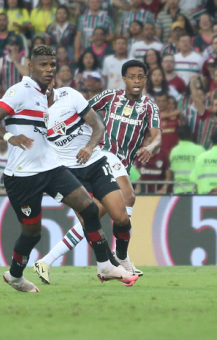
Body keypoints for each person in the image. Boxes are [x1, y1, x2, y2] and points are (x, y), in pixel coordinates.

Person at [0, 44, 137, 293]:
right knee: (31, 234)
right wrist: (11, 138)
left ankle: (105, 265)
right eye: (43, 64)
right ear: (30, 66)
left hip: (51, 168)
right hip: (22, 176)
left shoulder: (47, 95)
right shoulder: (20, 91)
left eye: (52, 65)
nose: (49, 69)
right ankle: (15, 276)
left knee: (89, 208)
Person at [40, 59, 161, 277]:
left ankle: (48, 260)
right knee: (129, 196)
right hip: (103, 155)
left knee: (93, 216)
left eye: (140, 76)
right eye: (131, 76)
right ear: (124, 79)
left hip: (122, 164)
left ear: (145, 79)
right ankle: (121, 257)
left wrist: (150, 146)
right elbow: (82, 112)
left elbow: (156, 135)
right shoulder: (110, 96)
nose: (136, 80)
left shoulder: (149, 107)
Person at [32, 79, 136, 284]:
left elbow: (98, 125)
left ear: (53, 82)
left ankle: (120, 258)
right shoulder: (35, 115)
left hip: (96, 162)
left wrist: (89, 147)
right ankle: (108, 266)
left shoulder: (70, 95)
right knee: (90, 220)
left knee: (121, 216)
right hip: (69, 174)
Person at [168, 124, 205, 193]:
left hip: (178, 190)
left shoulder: (174, 151)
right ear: (191, 134)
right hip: (195, 190)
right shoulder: (200, 150)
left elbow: (171, 170)